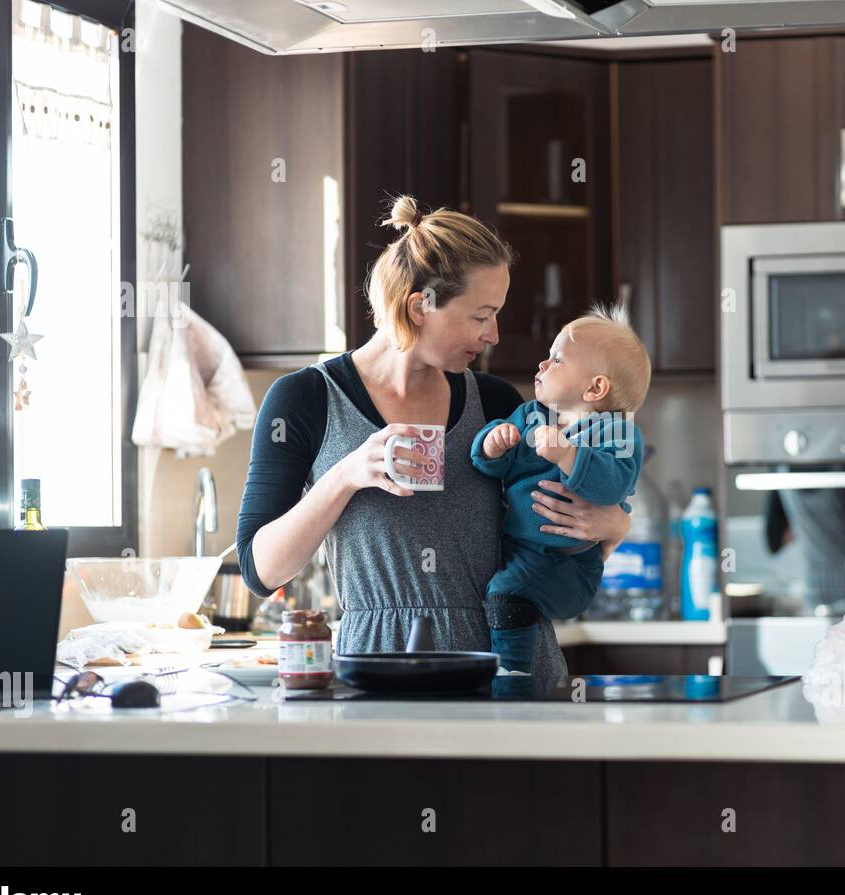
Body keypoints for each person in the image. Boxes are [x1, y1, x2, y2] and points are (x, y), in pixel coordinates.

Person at [235, 196, 632, 685]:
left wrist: (612, 526)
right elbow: (261, 571)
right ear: (419, 306)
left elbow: (548, 537)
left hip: (508, 670)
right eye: (480, 315)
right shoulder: (306, 399)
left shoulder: (494, 401)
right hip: (380, 670)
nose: (495, 335)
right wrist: (346, 475)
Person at [471, 307, 651, 673]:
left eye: (557, 359)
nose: (542, 364)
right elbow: (493, 466)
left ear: (595, 387)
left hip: (568, 563)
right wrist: (492, 446)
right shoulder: (529, 416)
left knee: (505, 591)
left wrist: (569, 455)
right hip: (522, 548)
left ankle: (513, 673)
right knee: (502, 585)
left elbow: (613, 485)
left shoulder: (617, 432)